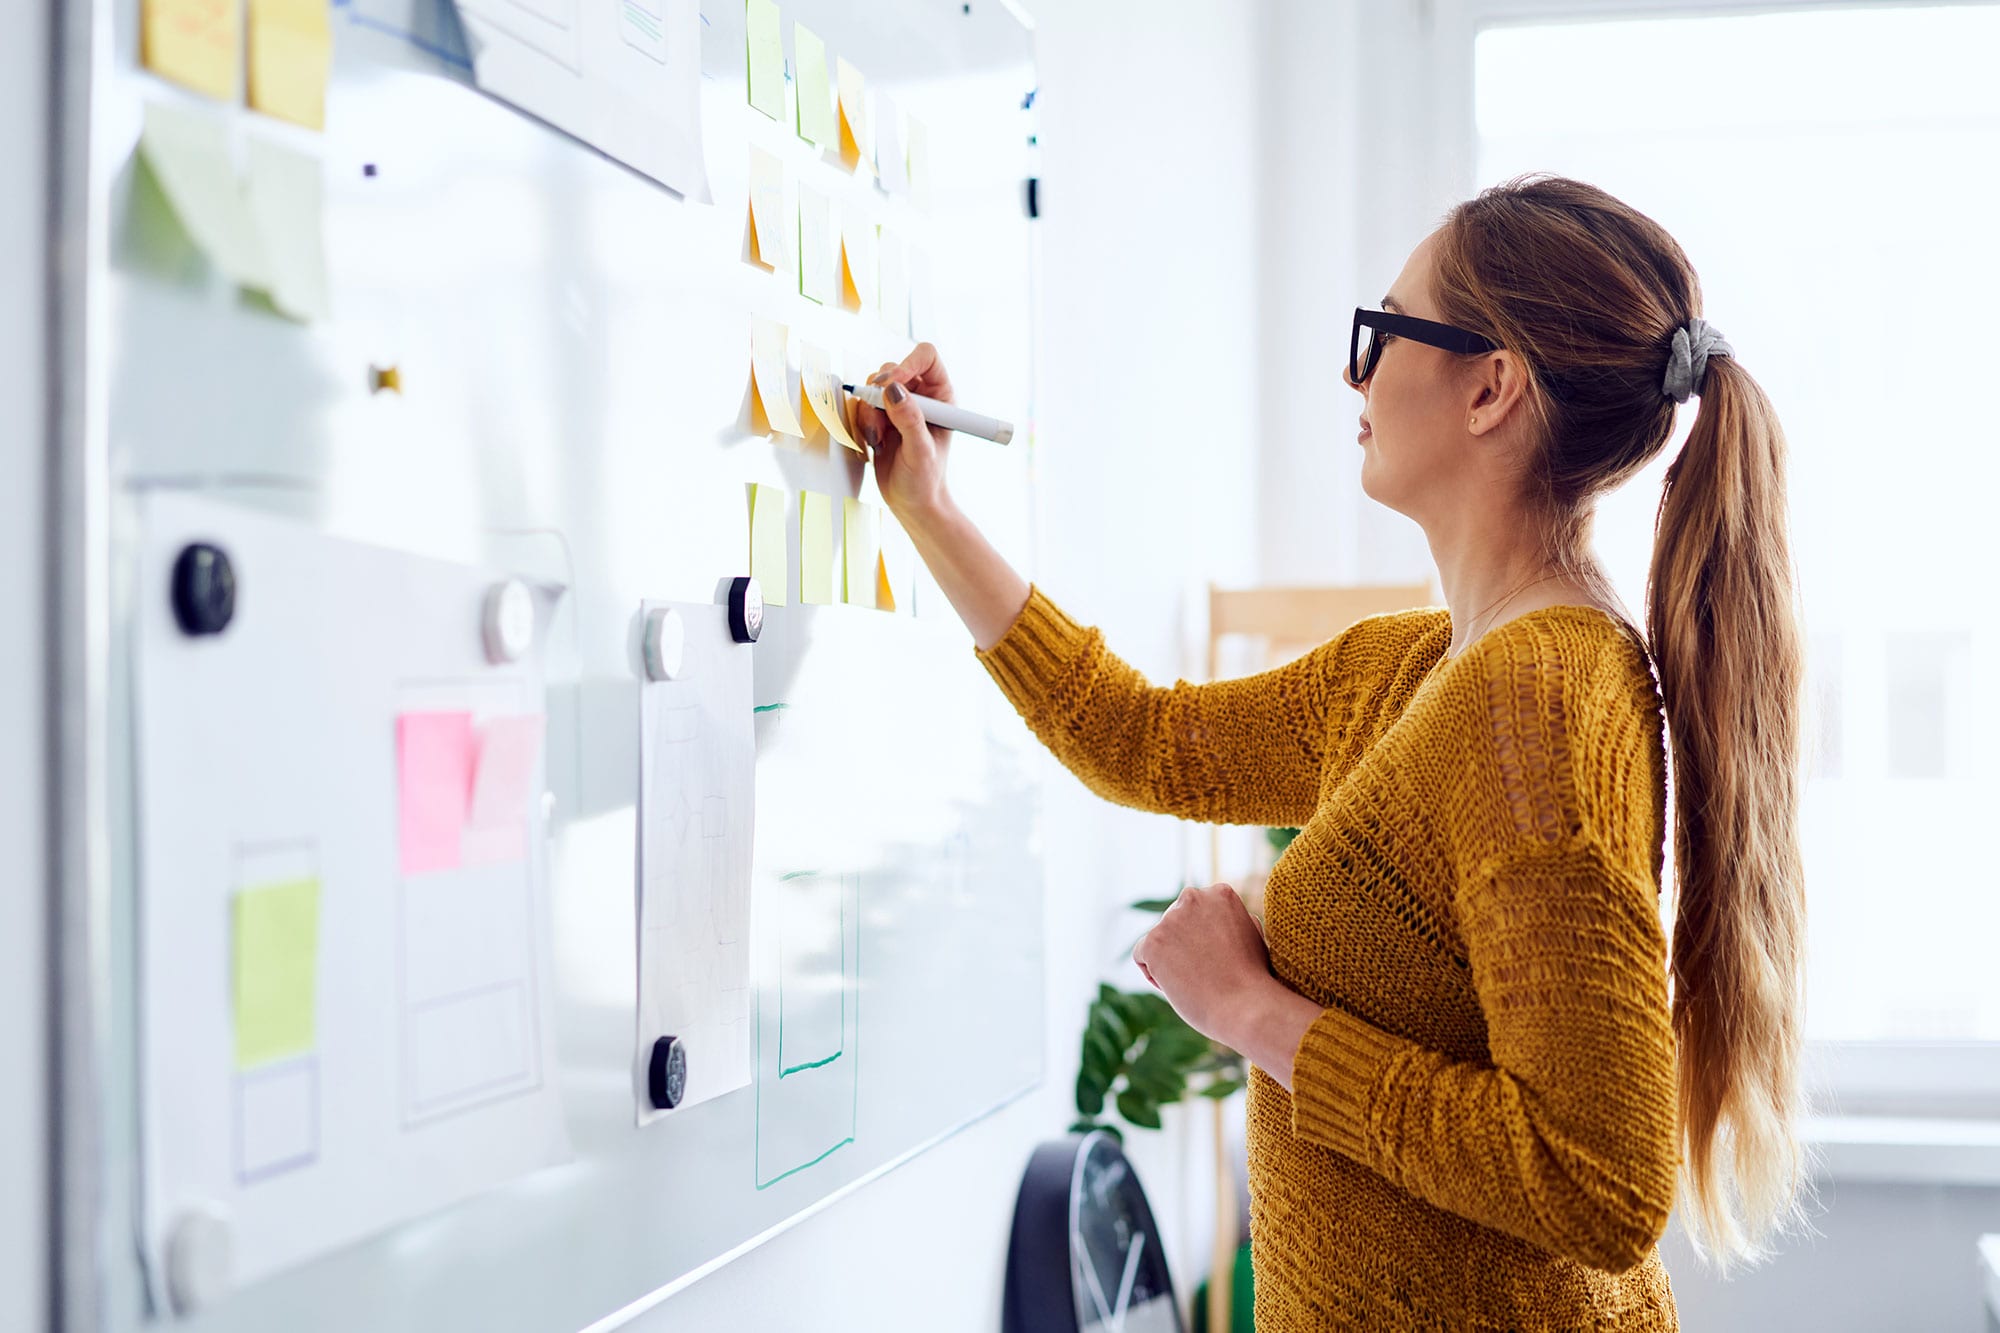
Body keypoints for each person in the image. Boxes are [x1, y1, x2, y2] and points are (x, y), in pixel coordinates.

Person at [849, 172, 1813, 1331]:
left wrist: (1253, 1012)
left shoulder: (1537, 701)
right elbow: (1143, 739)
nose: (1353, 372)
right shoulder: (1418, 671)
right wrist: (932, 510)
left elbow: (1596, 1180)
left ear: (1489, 387)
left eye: (1383, 332)